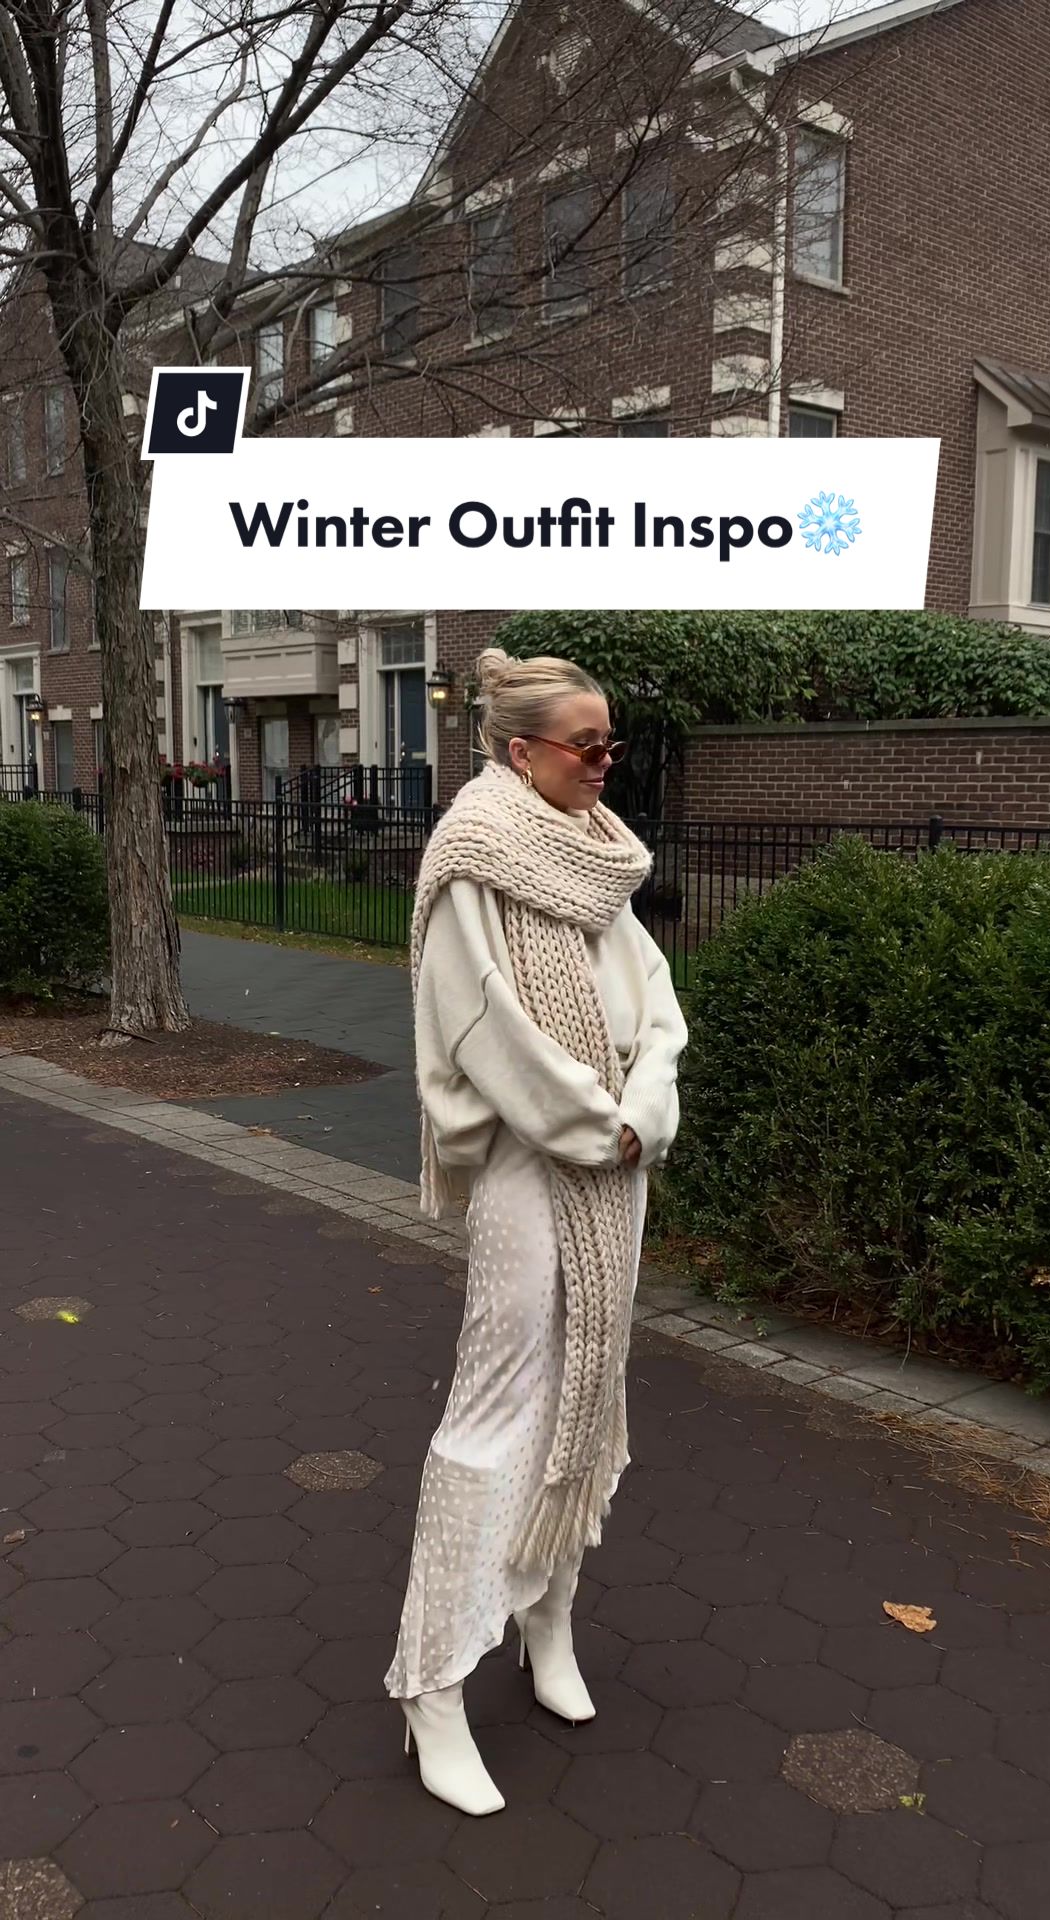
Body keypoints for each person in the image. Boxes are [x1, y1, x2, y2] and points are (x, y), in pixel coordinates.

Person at [385, 646, 687, 1816]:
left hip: (619, 1162)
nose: (608, 763)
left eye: (613, 744)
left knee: (590, 1387)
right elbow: (481, 1026)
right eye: (589, 746)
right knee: (499, 1404)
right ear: (523, 752)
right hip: (533, 1162)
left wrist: (644, 1108)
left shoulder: (598, 858)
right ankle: (432, 1684)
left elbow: (654, 1002)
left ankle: (545, 1619)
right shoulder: (475, 855)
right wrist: (595, 1124)